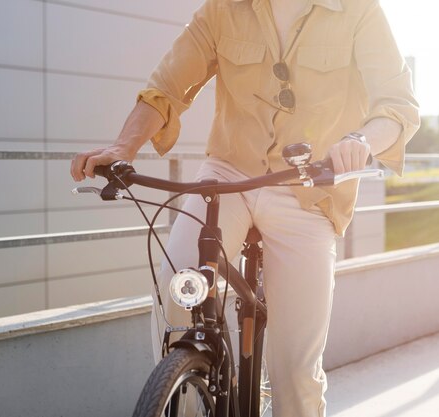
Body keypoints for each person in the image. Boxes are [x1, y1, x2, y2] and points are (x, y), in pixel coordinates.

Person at [71, 0, 419, 415]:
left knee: (295, 371)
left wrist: (361, 142)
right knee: (177, 289)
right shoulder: (221, 9)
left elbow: (397, 106)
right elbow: (166, 87)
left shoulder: (357, 10)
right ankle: (193, 378)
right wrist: (123, 146)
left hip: (307, 185)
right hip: (227, 173)